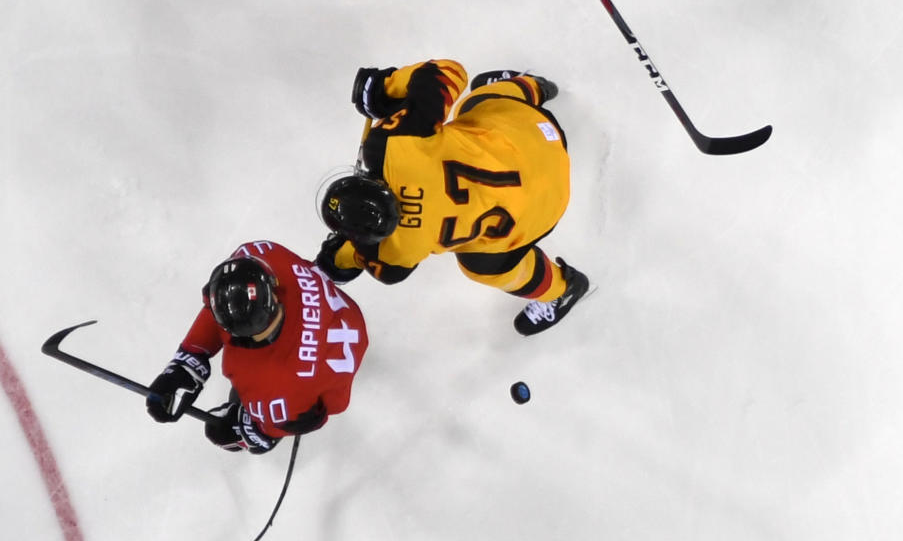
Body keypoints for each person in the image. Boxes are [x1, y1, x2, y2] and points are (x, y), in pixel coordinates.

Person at [316, 59, 589, 337]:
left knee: (482, 267)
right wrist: (386, 89)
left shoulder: (394, 254)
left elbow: (368, 264)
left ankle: (562, 289)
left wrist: (336, 260)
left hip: (545, 213)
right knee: (476, 103)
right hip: (542, 137)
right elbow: (449, 72)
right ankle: (532, 87)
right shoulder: (393, 144)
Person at [145, 240, 368, 454]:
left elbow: (279, 425)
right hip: (343, 315)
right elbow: (218, 307)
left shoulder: (279, 386)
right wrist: (188, 361)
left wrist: (245, 430)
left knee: (283, 416)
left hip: (317, 387)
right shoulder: (266, 255)